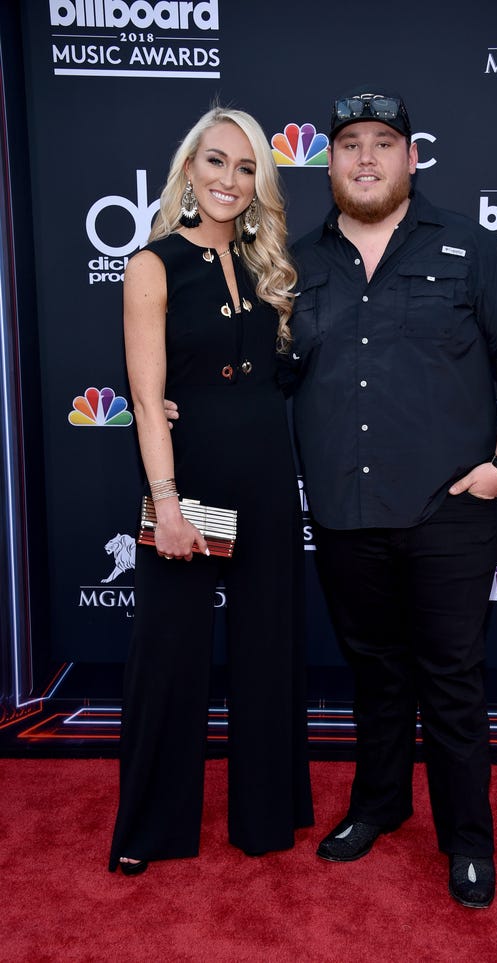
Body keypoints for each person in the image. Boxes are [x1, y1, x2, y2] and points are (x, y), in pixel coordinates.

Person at [288, 84, 497, 908]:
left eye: (382, 142)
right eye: (349, 144)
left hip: (450, 509)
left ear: (411, 155)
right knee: (374, 673)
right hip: (343, 512)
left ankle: (467, 839)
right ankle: (379, 804)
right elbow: (263, 373)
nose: (365, 157)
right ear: (329, 161)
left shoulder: (470, 248)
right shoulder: (298, 263)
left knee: (451, 680)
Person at [109, 106, 313, 876]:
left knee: (269, 647)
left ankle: (266, 819)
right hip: (188, 476)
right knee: (169, 650)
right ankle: (150, 829)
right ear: (189, 169)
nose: (230, 179)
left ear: (261, 179)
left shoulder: (272, 266)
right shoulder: (151, 264)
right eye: (216, 161)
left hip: (265, 470)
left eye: (247, 166)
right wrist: (165, 500)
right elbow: (146, 391)